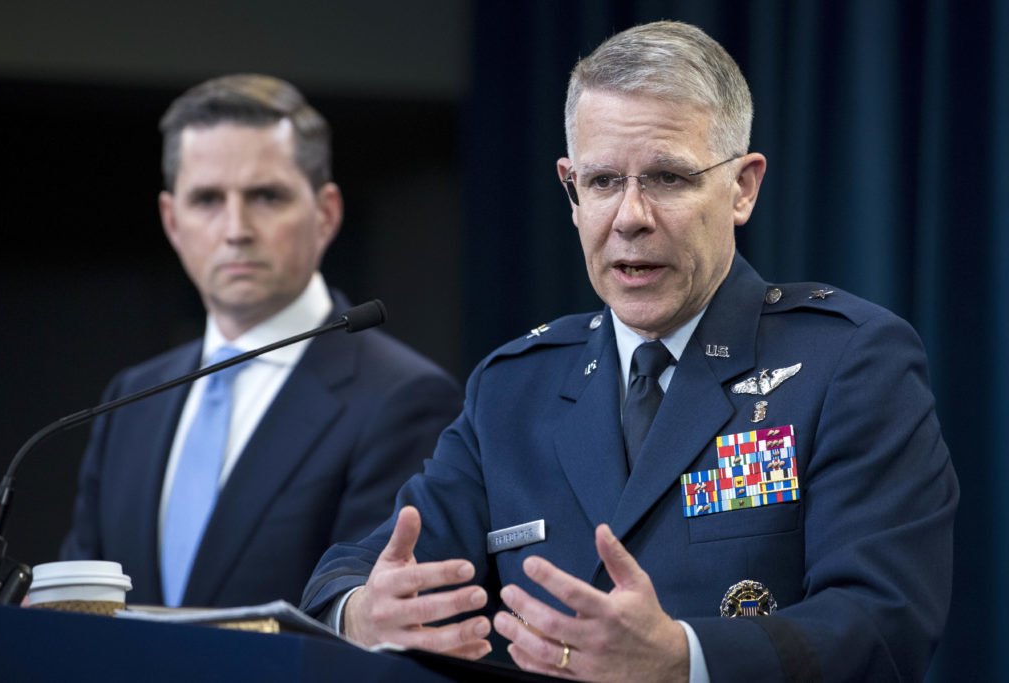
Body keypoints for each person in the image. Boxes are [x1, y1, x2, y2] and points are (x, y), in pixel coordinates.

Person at [300, 21, 958, 683]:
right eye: (605, 180)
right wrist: (361, 612)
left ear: (743, 187)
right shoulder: (513, 388)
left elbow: (883, 622)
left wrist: (684, 659)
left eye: (668, 178)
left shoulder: (848, 360)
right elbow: (359, 568)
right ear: (570, 189)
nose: (630, 216)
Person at [60, 74, 462, 608]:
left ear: (326, 213)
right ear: (171, 220)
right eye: (206, 199)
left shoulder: (404, 399)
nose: (235, 228)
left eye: (265, 196)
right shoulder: (132, 398)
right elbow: (78, 606)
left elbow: (368, 620)